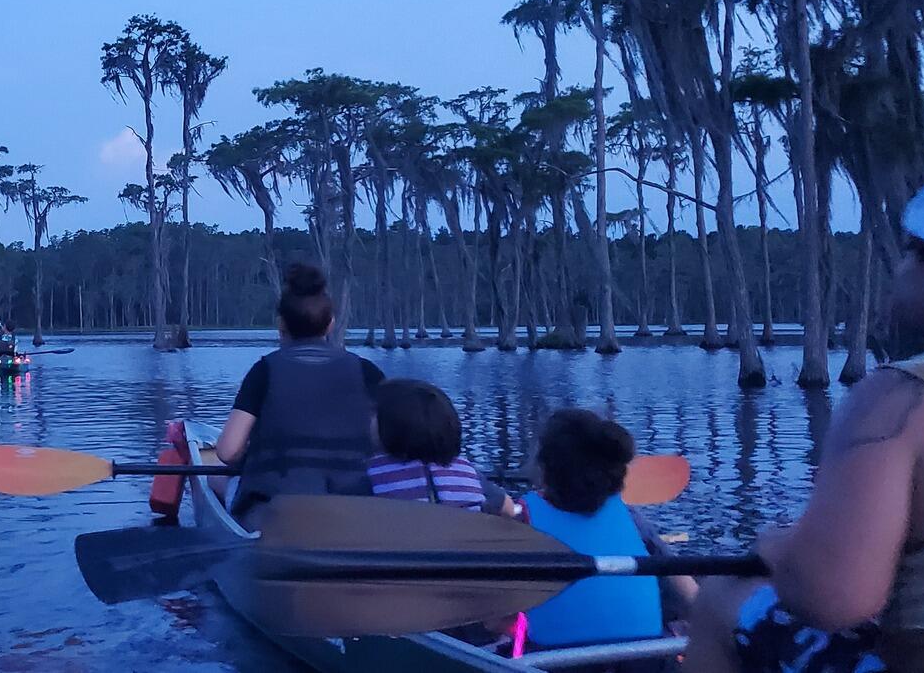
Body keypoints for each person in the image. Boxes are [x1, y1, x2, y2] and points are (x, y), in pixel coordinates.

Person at [687, 162, 924, 673]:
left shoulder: (901, 400)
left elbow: (835, 599)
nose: (901, 267)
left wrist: (782, 549)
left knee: (720, 597)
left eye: (913, 251)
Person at [214, 263, 384, 517]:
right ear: (330, 324)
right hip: (355, 511)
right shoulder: (367, 372)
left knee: (215, 480)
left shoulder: (264, 371)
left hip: (276, 511)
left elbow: (227, 452)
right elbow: (394, 443)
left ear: (281, 324)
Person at [519, 408, 684, 651]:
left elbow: (495, 622)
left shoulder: (522, 518)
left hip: (553, 662)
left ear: (544, 470)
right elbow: (690, 596)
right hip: (645, 659)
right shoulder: (630, 517)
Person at [367, 378, 513, 516]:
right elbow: (508, 508)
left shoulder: (373, 472)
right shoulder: (465, 468)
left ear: (392, 425)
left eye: (374, 413)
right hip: (466, 538)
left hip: (403, 541)